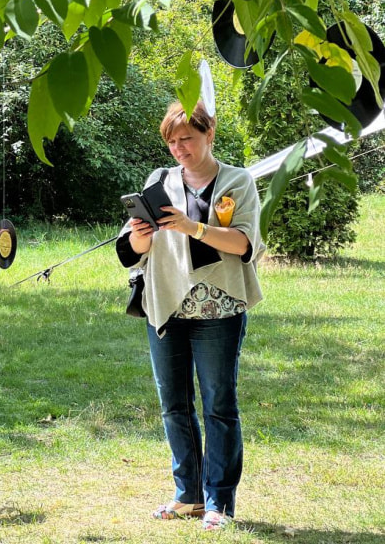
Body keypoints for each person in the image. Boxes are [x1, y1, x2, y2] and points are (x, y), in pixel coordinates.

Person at [116, 101, 264, 532]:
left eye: (188, 139)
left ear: (209, 134)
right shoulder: (158, 182)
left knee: (219, 405)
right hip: (165, 306)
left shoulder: (238, 181)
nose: (179, 148)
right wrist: (142, 238)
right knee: (174, 407)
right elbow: (132, 250)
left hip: (220, 309)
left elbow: (243, 245)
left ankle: (219, 502)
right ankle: (188, 497)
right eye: (172, 141)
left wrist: (192, 227)